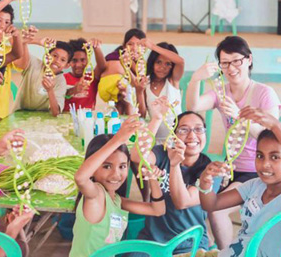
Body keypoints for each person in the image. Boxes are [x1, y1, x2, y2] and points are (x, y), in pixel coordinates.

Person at [185, 36, 281, 249]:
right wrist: (195, 79)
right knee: (196, 198)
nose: (231, 68)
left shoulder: (265, 94)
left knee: (215, 210)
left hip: (257, 170)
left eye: (236, 61)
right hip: (229, 167)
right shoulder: (222, 92)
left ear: (248, 60)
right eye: (225, 63)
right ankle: (211, 246)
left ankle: (227, 253)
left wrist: (240, 116)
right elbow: (194, 106)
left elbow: (273, 138)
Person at [198, 107, 281, 256]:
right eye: (260, 156)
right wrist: (205, 182)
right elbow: (211, 204)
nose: (265, 164)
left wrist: (276, 126)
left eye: (274, 157)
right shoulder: (254, 186)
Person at [128, 97, 221, 256]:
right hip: (152, 239)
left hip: (188, 243)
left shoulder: (210, 170)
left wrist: (174, 165)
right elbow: (137, 156)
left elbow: (182, 202)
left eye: (198, 129)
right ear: (174, 135)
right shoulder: (162, 153)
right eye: (184, 130)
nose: (192, 136)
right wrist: (156, 119)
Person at [70, 115, 166, 257]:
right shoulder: (96, 195)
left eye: (122, 166)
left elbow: (157, 210)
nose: (116, 174)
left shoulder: (117, 200)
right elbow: (81, 178)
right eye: (107, 166)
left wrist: (153, 178)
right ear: (94, 168)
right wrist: (118, 139)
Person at [0, 0, 38, 122]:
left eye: (7, 22)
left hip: (1, 113)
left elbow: (23, 65)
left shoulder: (8, 50)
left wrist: (20, 41)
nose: (2, 25)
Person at [134, 39, 184, 143]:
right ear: (152, 63)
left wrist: (152, 46)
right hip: (155, 139)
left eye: (168, 64)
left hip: (176, 139)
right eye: (158, 62)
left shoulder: (172, 81)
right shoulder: (145, 83)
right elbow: (142, 115)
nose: (162, 67)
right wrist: (139, 91)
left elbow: (180, 61)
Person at [12, 38, 73, 116]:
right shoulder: (33, 63)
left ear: (67, 65)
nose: (57, 61)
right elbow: (15, 41)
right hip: (19, 114)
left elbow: (55, 113)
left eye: (63, 60)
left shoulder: (61, 81)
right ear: (47, 55)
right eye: (55, 55)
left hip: (43, 120)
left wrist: (50, 90)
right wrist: (37, 41)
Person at [95, 28, 146, 114]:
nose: (134, 48)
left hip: (113, 93)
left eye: (139, 44)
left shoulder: (139, 63)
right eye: (130, 44)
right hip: (112, 87)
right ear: (124, 46)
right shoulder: (119, 57)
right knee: (127, 102)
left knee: (122, 106)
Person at [63, 38, 106, 111]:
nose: (78, 65)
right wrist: (74, 90)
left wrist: (96, 48)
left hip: (87, 119)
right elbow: (59, 97)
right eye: (74, 60)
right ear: (69, 61)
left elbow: (102, 67)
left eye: (82, 60)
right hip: (66, 119)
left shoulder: (92, 77)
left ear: (88, 60)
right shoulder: (62, 78)